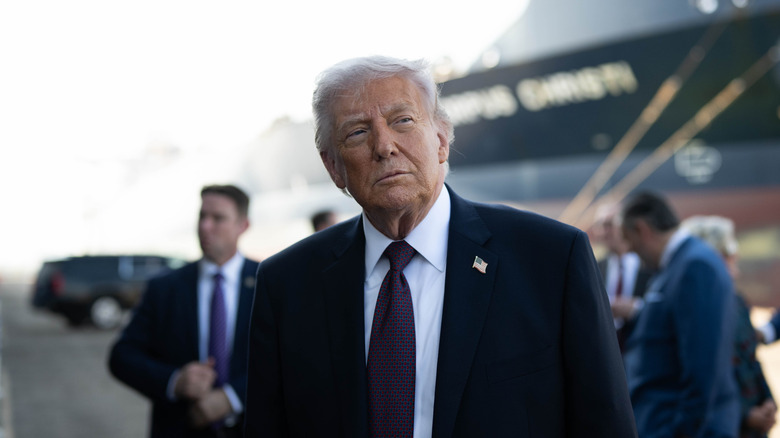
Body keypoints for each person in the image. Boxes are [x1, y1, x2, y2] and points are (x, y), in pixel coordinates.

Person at [244, 56, 636, 437]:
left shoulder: (551, 259)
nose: (385, 146)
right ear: (333, 167)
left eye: (403, 120)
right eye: (358, 132)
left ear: (442, 140)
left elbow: (604, 422)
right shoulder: (287, 285)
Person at [109, 184, 259, 438]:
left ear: (243, 226)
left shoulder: (268, 282)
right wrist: (174, 381)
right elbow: (122, 356)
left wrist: (233, 397)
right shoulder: (165, 288)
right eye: (202, 216)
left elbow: (290, 361)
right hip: (180, 427)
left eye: (218, 218)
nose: (205, 226)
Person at [620, 191, 740, 438]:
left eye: (627, 239)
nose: (630, 250)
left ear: (642, 229)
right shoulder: (678, 266)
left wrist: (681, 431)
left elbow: (704, 365)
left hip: (680, 428)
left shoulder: (695, 267)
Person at [682, 215, 776, 438]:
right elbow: (703, 373)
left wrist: (768, 403)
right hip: (722, 426)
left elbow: (749, 357)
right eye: (729, 253)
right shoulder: (693, 307)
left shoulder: (736, 300)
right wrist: (746, 413)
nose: (736, 260)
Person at [592, 203, 653, 352]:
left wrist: (636, 309)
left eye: (608, 225)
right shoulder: (594, 267)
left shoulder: (650, 264)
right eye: (598, 225)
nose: (602, 232)